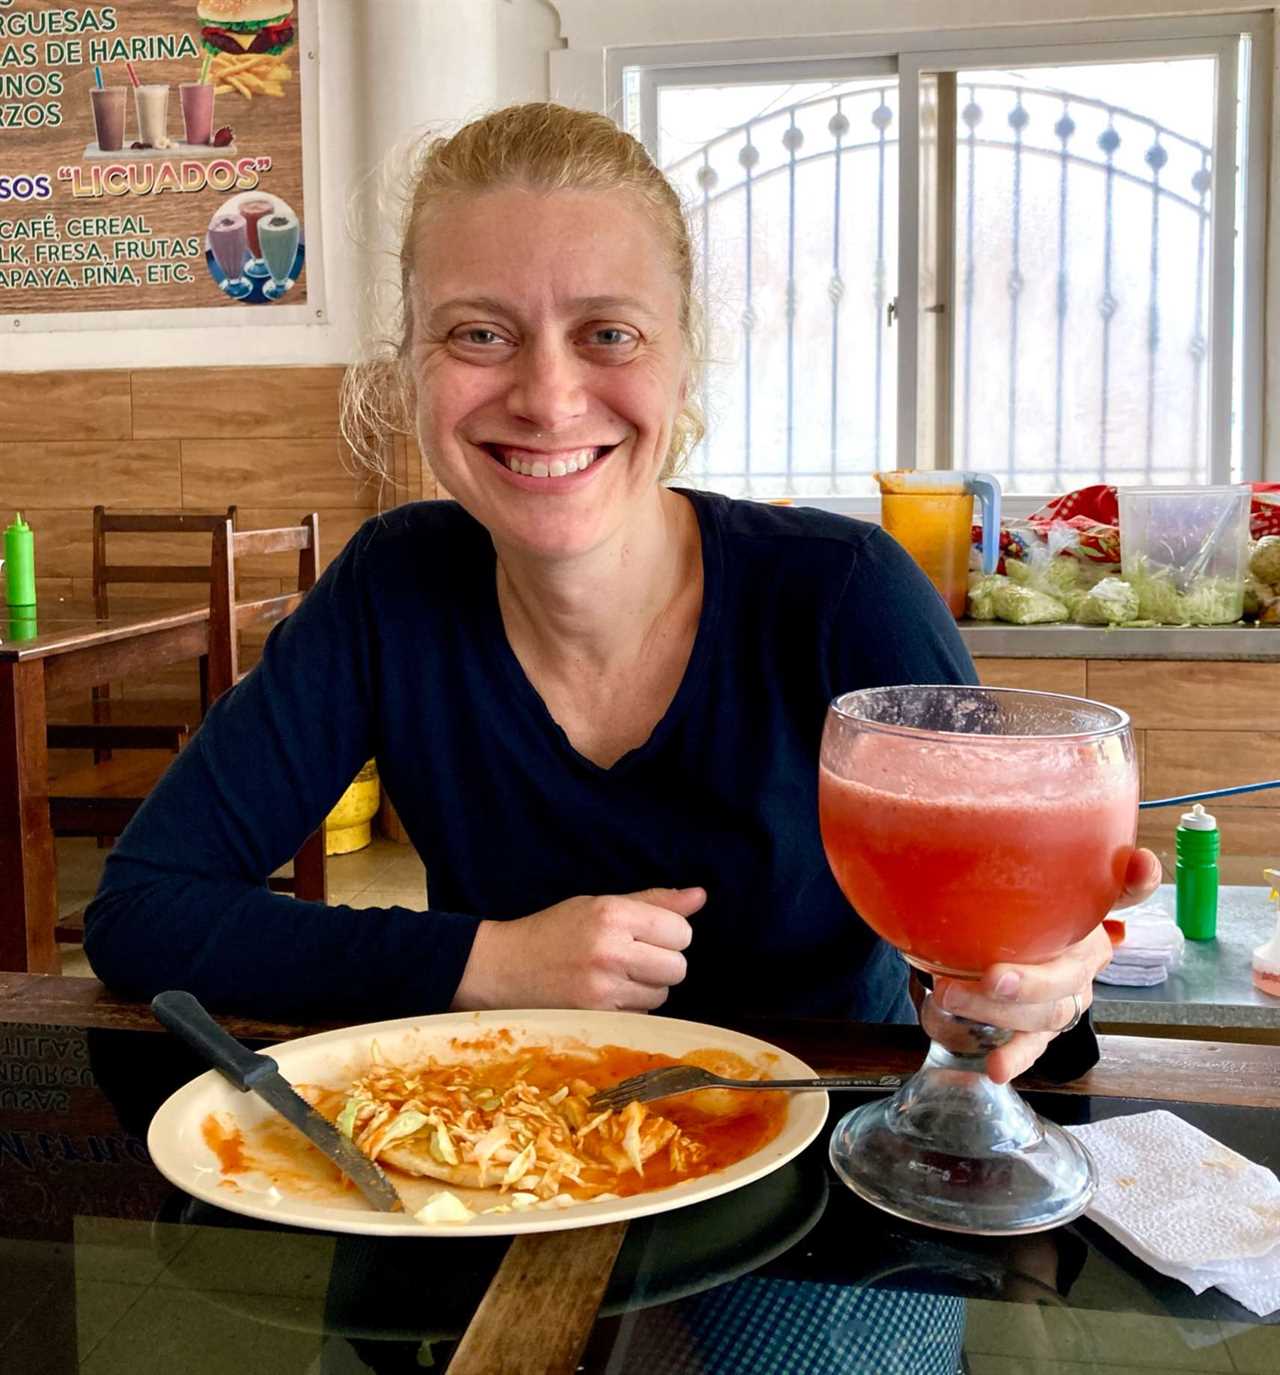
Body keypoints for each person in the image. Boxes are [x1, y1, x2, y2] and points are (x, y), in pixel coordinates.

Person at [84, 103, 1159, 1086]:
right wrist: (485, 959)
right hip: (510, 1129)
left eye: (607, 333)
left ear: (681, 361)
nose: (548, 397)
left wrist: (1034, 988)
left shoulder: (842, 596)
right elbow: (140, 910)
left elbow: (1007, 984)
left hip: (825, 1149)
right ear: (408, 364)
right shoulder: (391, 587)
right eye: (477, 333)